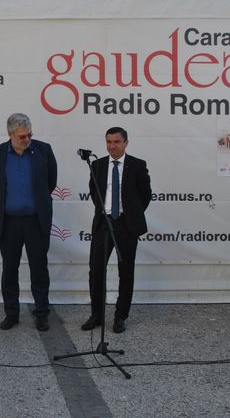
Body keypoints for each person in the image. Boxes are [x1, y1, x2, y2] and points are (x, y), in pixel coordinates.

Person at [0, 113, 58, 332]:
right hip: (9, 223)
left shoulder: (43, 151)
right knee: (9, 270)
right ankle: (11, 314)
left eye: (29, 135)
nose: (27, 140)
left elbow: (50, 183)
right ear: (10, 134)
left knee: (39, 269)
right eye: (22, 136)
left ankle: (42, 313)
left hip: (36, 222)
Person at [82, 127, 151, 334]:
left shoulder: (138, 165)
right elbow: (94, 192)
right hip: (104, 224)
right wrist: (105, 212)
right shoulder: (97, 165)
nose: (112, 146)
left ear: (126, 143)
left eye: (116, 142)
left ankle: (121, 316)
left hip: (126, 224)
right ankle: (96, 314)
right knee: (96, 270)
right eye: (108, 142)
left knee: (126, 271)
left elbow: (145, 195)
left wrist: (130, 214)